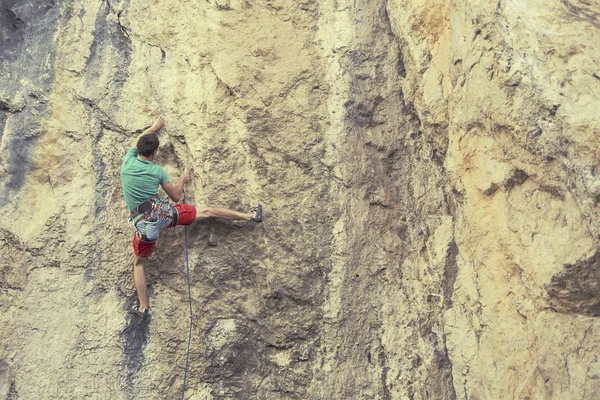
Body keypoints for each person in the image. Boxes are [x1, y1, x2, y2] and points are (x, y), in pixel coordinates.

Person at [120, 116, 262, 314]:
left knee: (139, 263)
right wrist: (183, 180)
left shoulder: (127, 163)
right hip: (165, 215)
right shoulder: (157, 172)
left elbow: (139, 140)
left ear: (139, 150)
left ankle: (143, 307)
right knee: (207, 211)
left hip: (147, 227)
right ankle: (250, 216)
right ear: (155, 153)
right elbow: (176, 197)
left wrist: (153, 127)